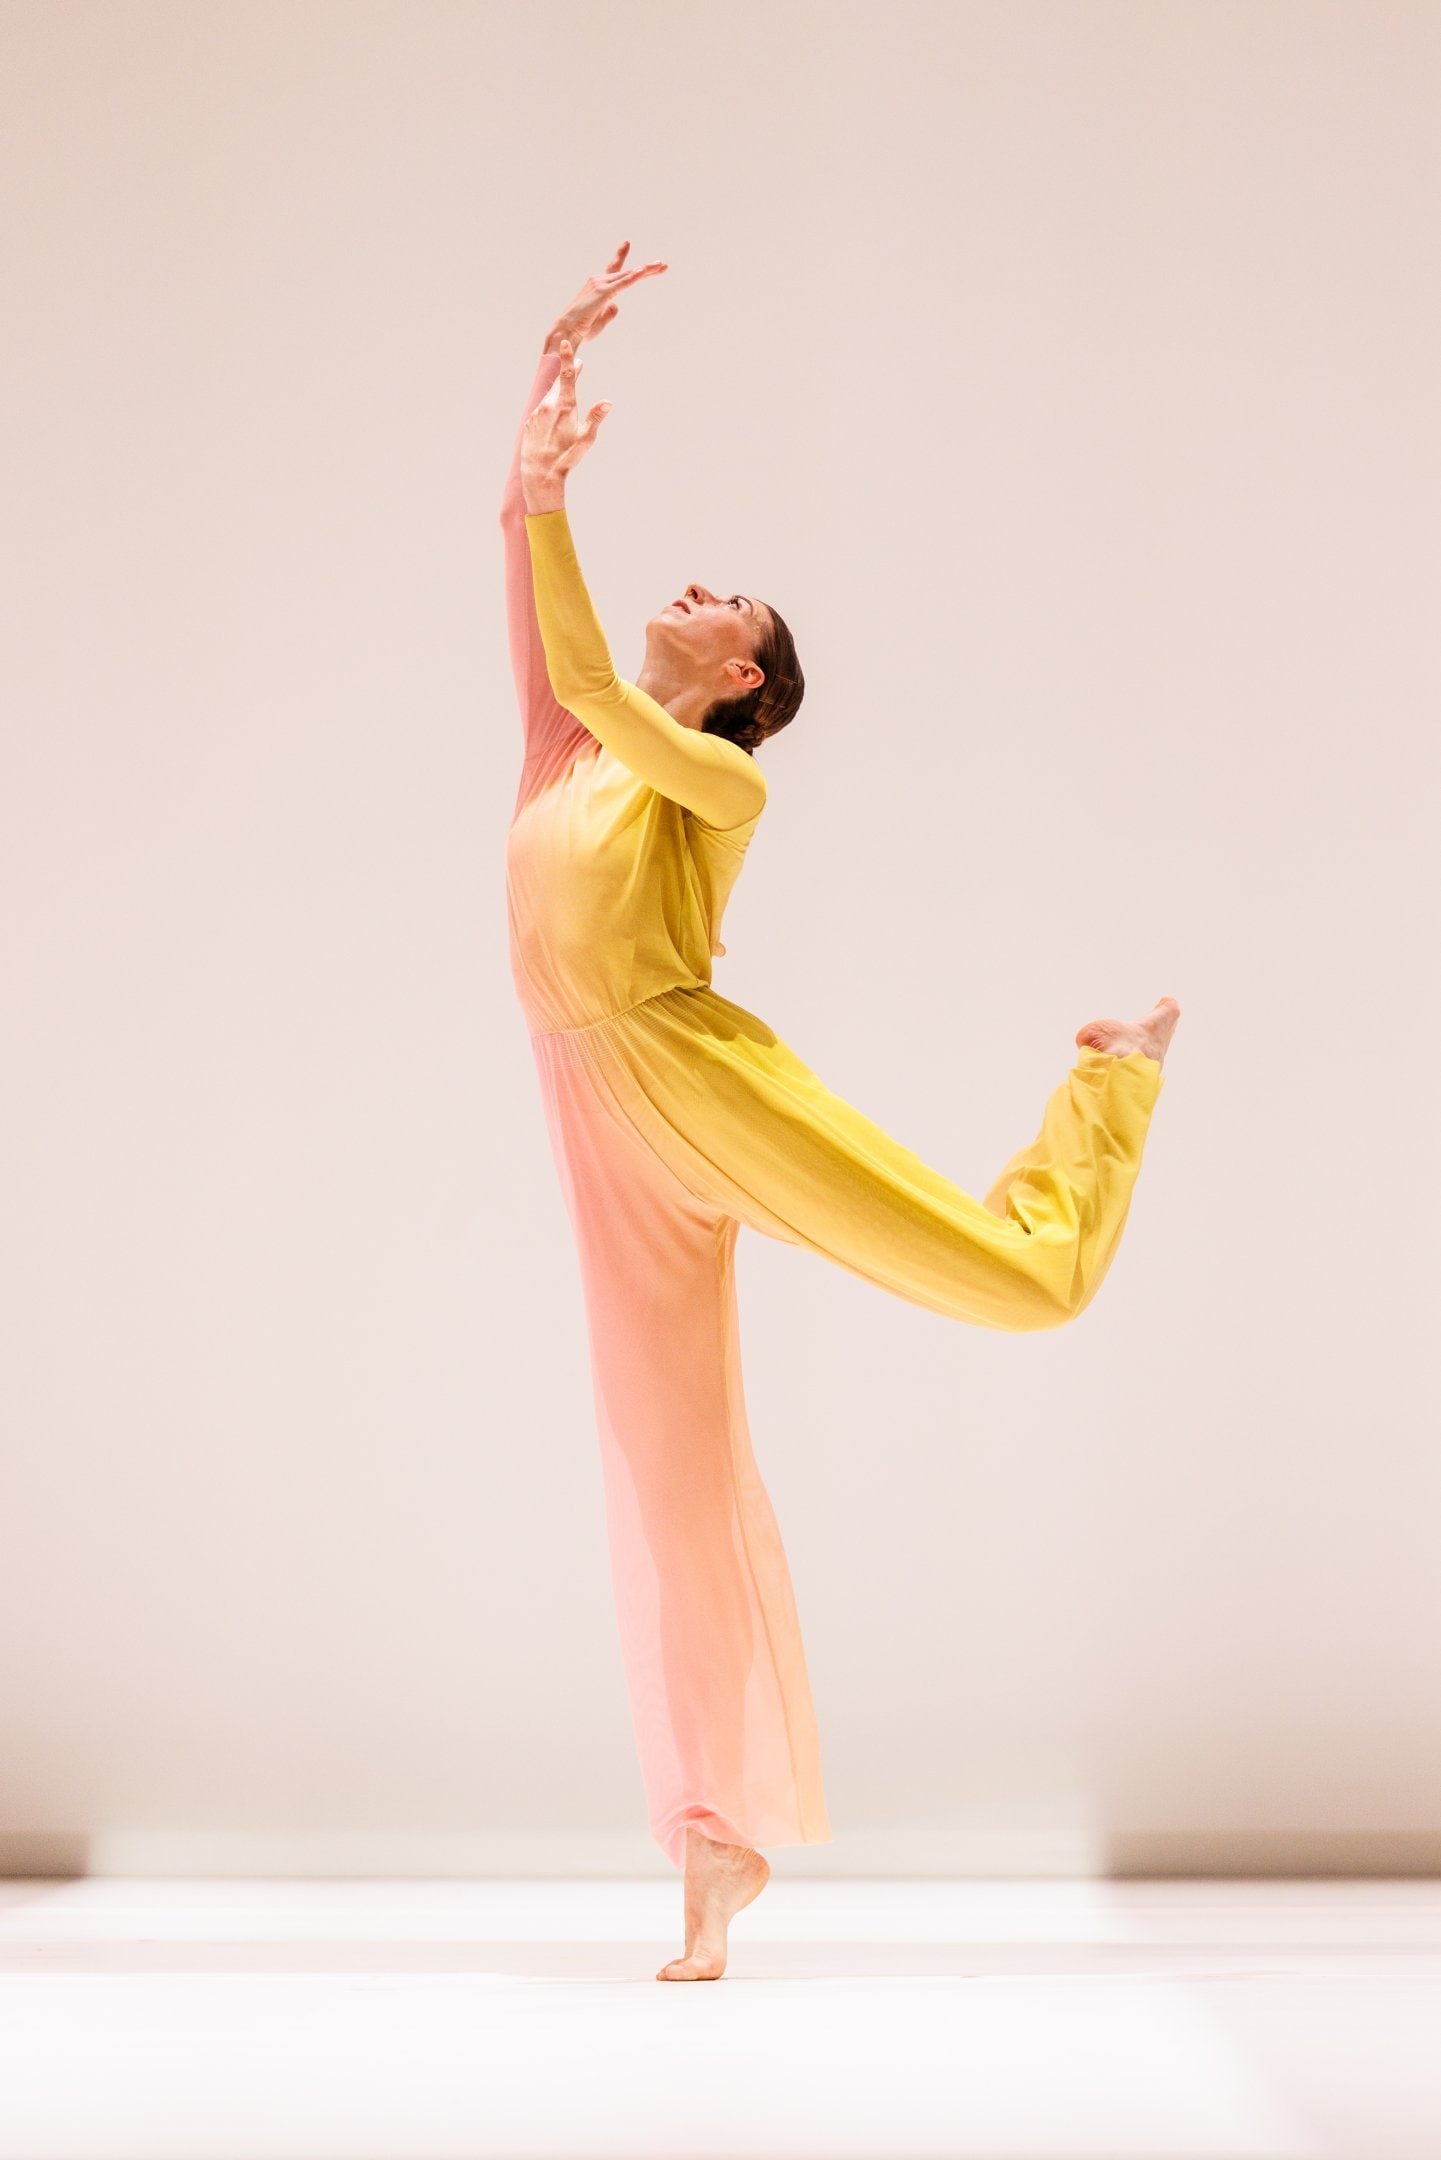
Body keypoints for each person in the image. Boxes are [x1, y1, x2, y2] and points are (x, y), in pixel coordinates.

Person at [499, 244, 1180, 1982]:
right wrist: (536, 436)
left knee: (1011, 1281)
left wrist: (555, 507)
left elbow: (590, 676)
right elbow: (542, 625)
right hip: (589, 1110)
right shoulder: (563, 761)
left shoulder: (718, 781)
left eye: (729, 604)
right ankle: (712, 1842)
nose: (696, 588)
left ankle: (1111, 1080)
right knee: (665, 1469)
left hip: (696, 1077)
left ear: (745, 683)